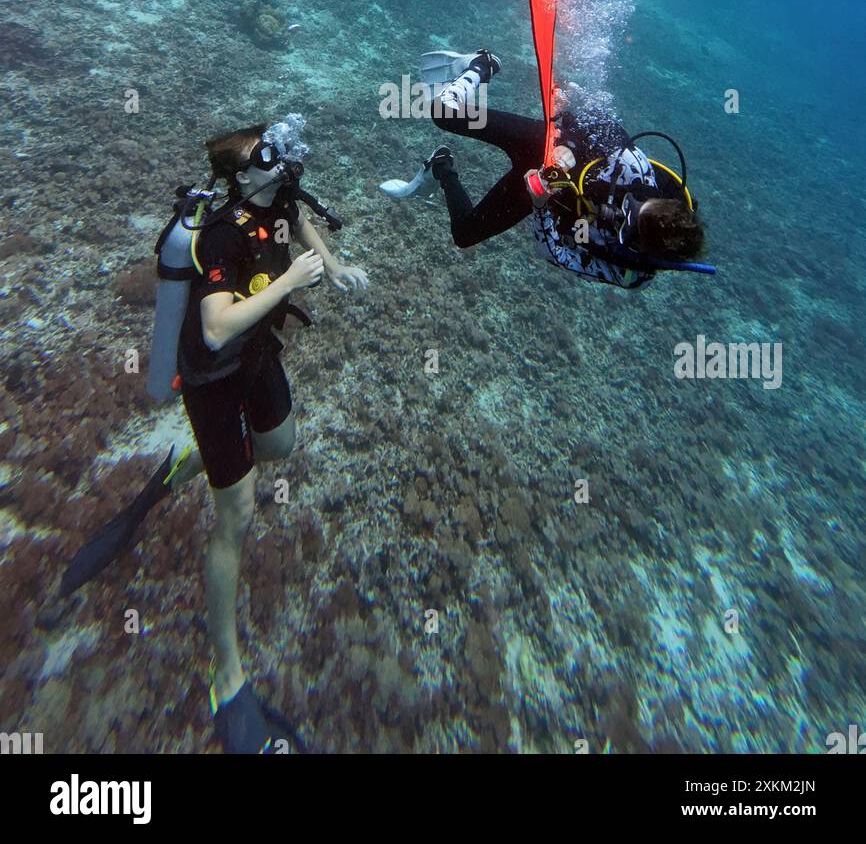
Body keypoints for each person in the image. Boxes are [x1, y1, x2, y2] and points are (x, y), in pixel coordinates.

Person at [50, 115, 369, 754]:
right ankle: (228, 674)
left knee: (281, 446)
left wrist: (331, 267)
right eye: (269, 155)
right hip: (215, 375)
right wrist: (288, 281)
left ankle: (189, 464)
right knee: (239, 515)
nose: (284, 161)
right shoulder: (221, 235)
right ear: (241, 174)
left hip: (258, 354)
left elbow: (297, 220)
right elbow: (217, 328)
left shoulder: (276, 191)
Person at [384, 51, 708, 290]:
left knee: (464, 235)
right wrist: (572, 148)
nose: (617, 213)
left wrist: (539, 205)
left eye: (626, 228)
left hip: (546, 191)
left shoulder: (628, 270)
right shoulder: (636, 173)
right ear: (646, 196)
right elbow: (600, 123)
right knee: (444, 114)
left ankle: (441, 166)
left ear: (640, 247)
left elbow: (555, 254)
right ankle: (482, 64)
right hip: (547, 149)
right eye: (630, 204)